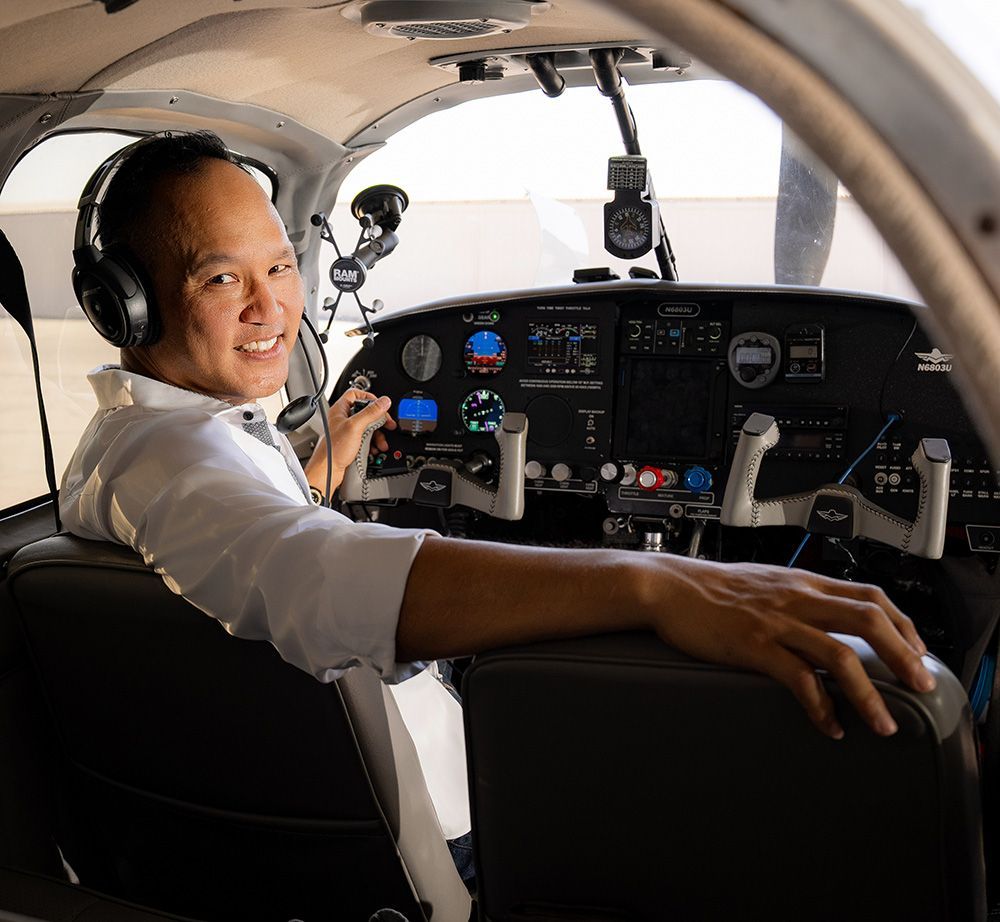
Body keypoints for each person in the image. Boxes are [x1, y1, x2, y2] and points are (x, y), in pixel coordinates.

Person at [60, 132, 936, 835]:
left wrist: (317, 459)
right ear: (124, 303)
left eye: (282, 266)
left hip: (316, 798)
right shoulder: (176, 463)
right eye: (222, 278)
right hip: (441, 833)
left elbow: (241, 534)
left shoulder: (154, 447)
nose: (272, 307)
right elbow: (307, 572)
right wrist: (660, 580)